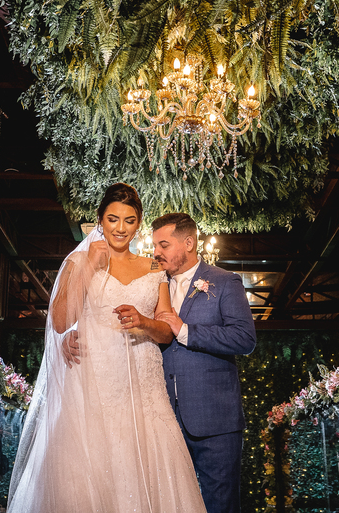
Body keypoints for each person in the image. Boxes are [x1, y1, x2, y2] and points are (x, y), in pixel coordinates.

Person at [7, 183, 206, 513]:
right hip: (93, 380)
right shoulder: (79, 261)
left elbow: (166, 332)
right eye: (113, 219)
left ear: (139, 223)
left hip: (143, 384)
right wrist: (88, 268)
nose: (121, 228)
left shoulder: (155, 267)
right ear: (100, 219)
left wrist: (143, 321)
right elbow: (59, 321)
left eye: (129, 220)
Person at [152, 212, 257, 513]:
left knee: (220, 506)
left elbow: (244, 339)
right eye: (155, 245)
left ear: (188, 243)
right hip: (163, 421)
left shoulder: (225, 282)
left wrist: (184, 331)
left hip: (215, 421)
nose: (156, 252)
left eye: (163, 244)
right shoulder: (154, 286)